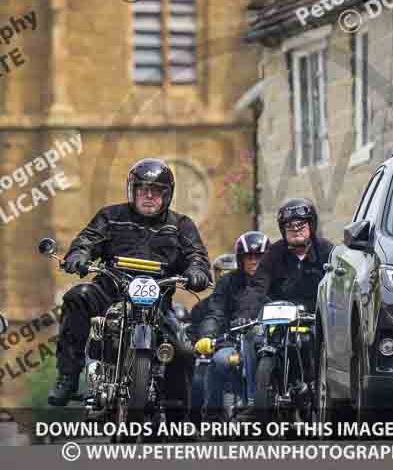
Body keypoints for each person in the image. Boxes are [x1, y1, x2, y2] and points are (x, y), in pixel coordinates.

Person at [48, 158, 211, 407]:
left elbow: (196, 256)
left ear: (166, 195)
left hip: (156, 303)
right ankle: (68, 377)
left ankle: (178, 417)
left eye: (155, 191)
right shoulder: (110, 216)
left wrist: (197, 272)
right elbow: (87, 240)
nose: (148, 196)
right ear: (132, 191)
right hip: (110, 294)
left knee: (184, 350)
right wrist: (79, 255)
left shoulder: (181, 225)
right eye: (142, 190)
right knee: (77, 296)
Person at [239, 199, 333, 391]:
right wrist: (245, 313)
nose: (295, 229)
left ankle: (319, 388)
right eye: (289, 226)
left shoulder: (327, 251)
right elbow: (257, 286)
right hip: (281, 318)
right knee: (252, 340)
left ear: (311, 225)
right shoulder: (274, 253)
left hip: (316, 318)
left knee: (320, 346)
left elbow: (338, 286)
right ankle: (253, 398)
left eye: (301, 224)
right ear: (282, 229)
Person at [194, 232, 271, 416]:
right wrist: (208, 335)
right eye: (248, 257)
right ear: (240, 259)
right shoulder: (228, 282)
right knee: (220, 361)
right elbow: (216, 312)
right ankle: (212, 417)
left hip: (272, 341)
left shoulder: (277, 280)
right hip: (234, 341)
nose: (254, 261)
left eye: (259, 257)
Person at [189, 253, 237, 418]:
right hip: (206, 357)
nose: (224, 277)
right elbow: (191, 335)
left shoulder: (246, 300)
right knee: (196, 380)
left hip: (236, 352)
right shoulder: (201, 308)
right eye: (220, 273)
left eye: (230, 273)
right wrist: (198, 343)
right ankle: (199, 422)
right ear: (215, 275)